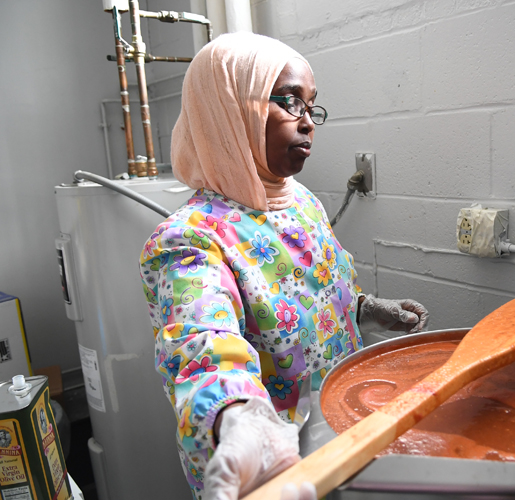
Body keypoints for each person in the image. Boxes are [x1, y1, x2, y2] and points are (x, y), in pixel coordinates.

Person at [139, 32, 429, 500]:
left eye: (312, 106)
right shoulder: (190, 238)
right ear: (229, 111)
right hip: (275, 463)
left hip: (342, 430)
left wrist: (363, 309)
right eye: (289, 102)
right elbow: (203, 343)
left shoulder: (301, 204)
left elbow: (308, 293)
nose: (308, 122)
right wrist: (238, 417)